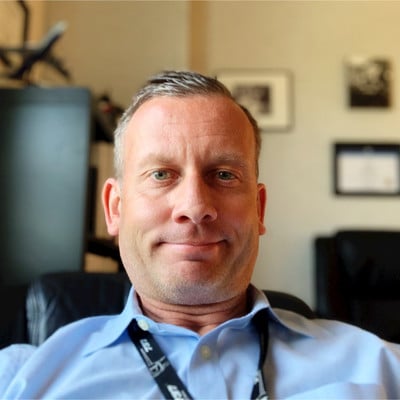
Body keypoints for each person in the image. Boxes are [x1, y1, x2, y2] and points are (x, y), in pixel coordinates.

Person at [0, 70, 399, 399]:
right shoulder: (20, 378)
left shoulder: (381, 370)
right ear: (115, 209)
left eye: (224, 175)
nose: (194, 206)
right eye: (161, 174)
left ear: (259, 209)